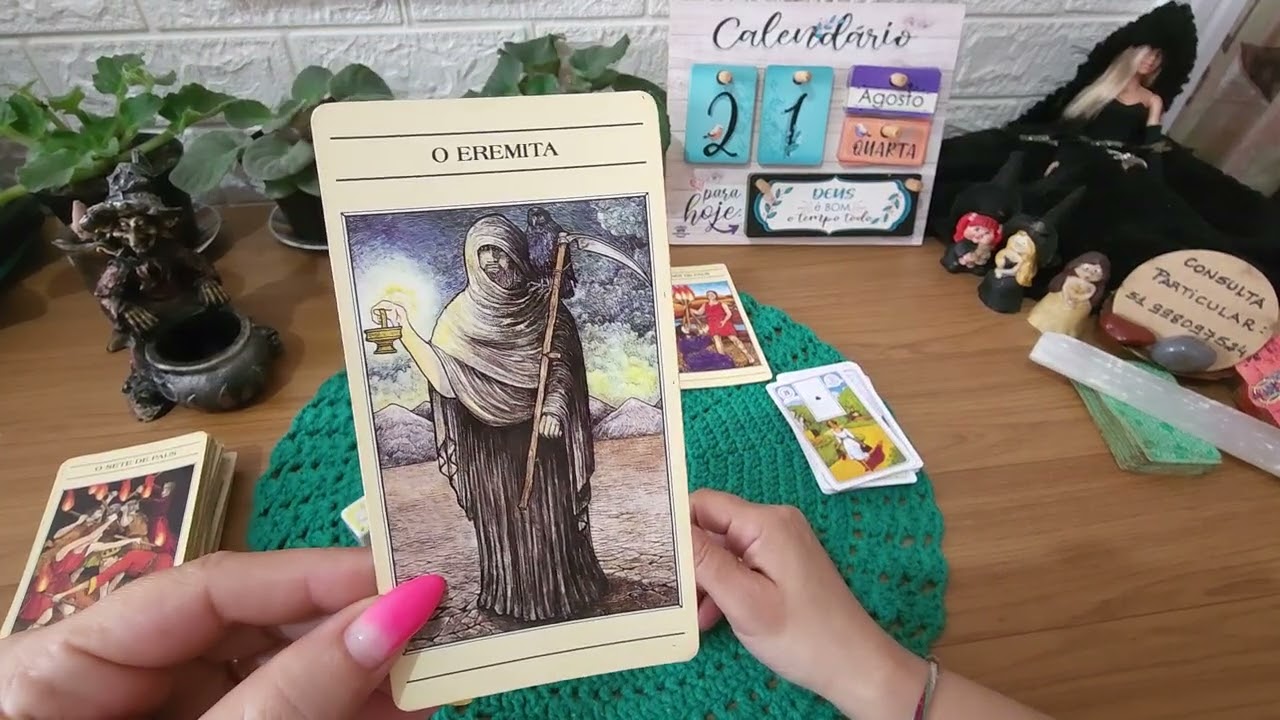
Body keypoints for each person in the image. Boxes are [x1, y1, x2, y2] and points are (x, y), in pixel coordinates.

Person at [0, 490, 1052, 719]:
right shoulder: (464, 320)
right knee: (502, 548)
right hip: (490, 480)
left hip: (552, 477)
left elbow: (573, 409)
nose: (500, 274)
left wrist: (871, 674)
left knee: (553, 536)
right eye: (490, 261)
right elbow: (451, 402)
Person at [371, 213, 607, 623]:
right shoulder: (457, 319)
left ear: (518, 253)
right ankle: (509, 597)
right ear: (472, 260)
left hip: (540, 436)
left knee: (549, 522)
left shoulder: (546, 308)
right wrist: (406, 332)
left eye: (501, 251)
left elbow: (562, 367)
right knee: (501, 525)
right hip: (484, 444)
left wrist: (553, 408)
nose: (495, 262)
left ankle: (563, 595)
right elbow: (447, 382)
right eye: (485, 254)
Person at [699, 290, 758, 363]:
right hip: (713, 324)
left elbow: (729, 314)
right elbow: (699, 312)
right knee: (717, 341)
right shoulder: (705, 305)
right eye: (709, 294)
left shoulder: (722, 304)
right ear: (707, 296)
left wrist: (723, 321)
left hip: (723, 323)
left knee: (734, 339)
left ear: (715, 295)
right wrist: (690, 309)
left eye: (712, 294)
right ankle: (723, 359)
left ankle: (748, 356)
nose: (710, 295)